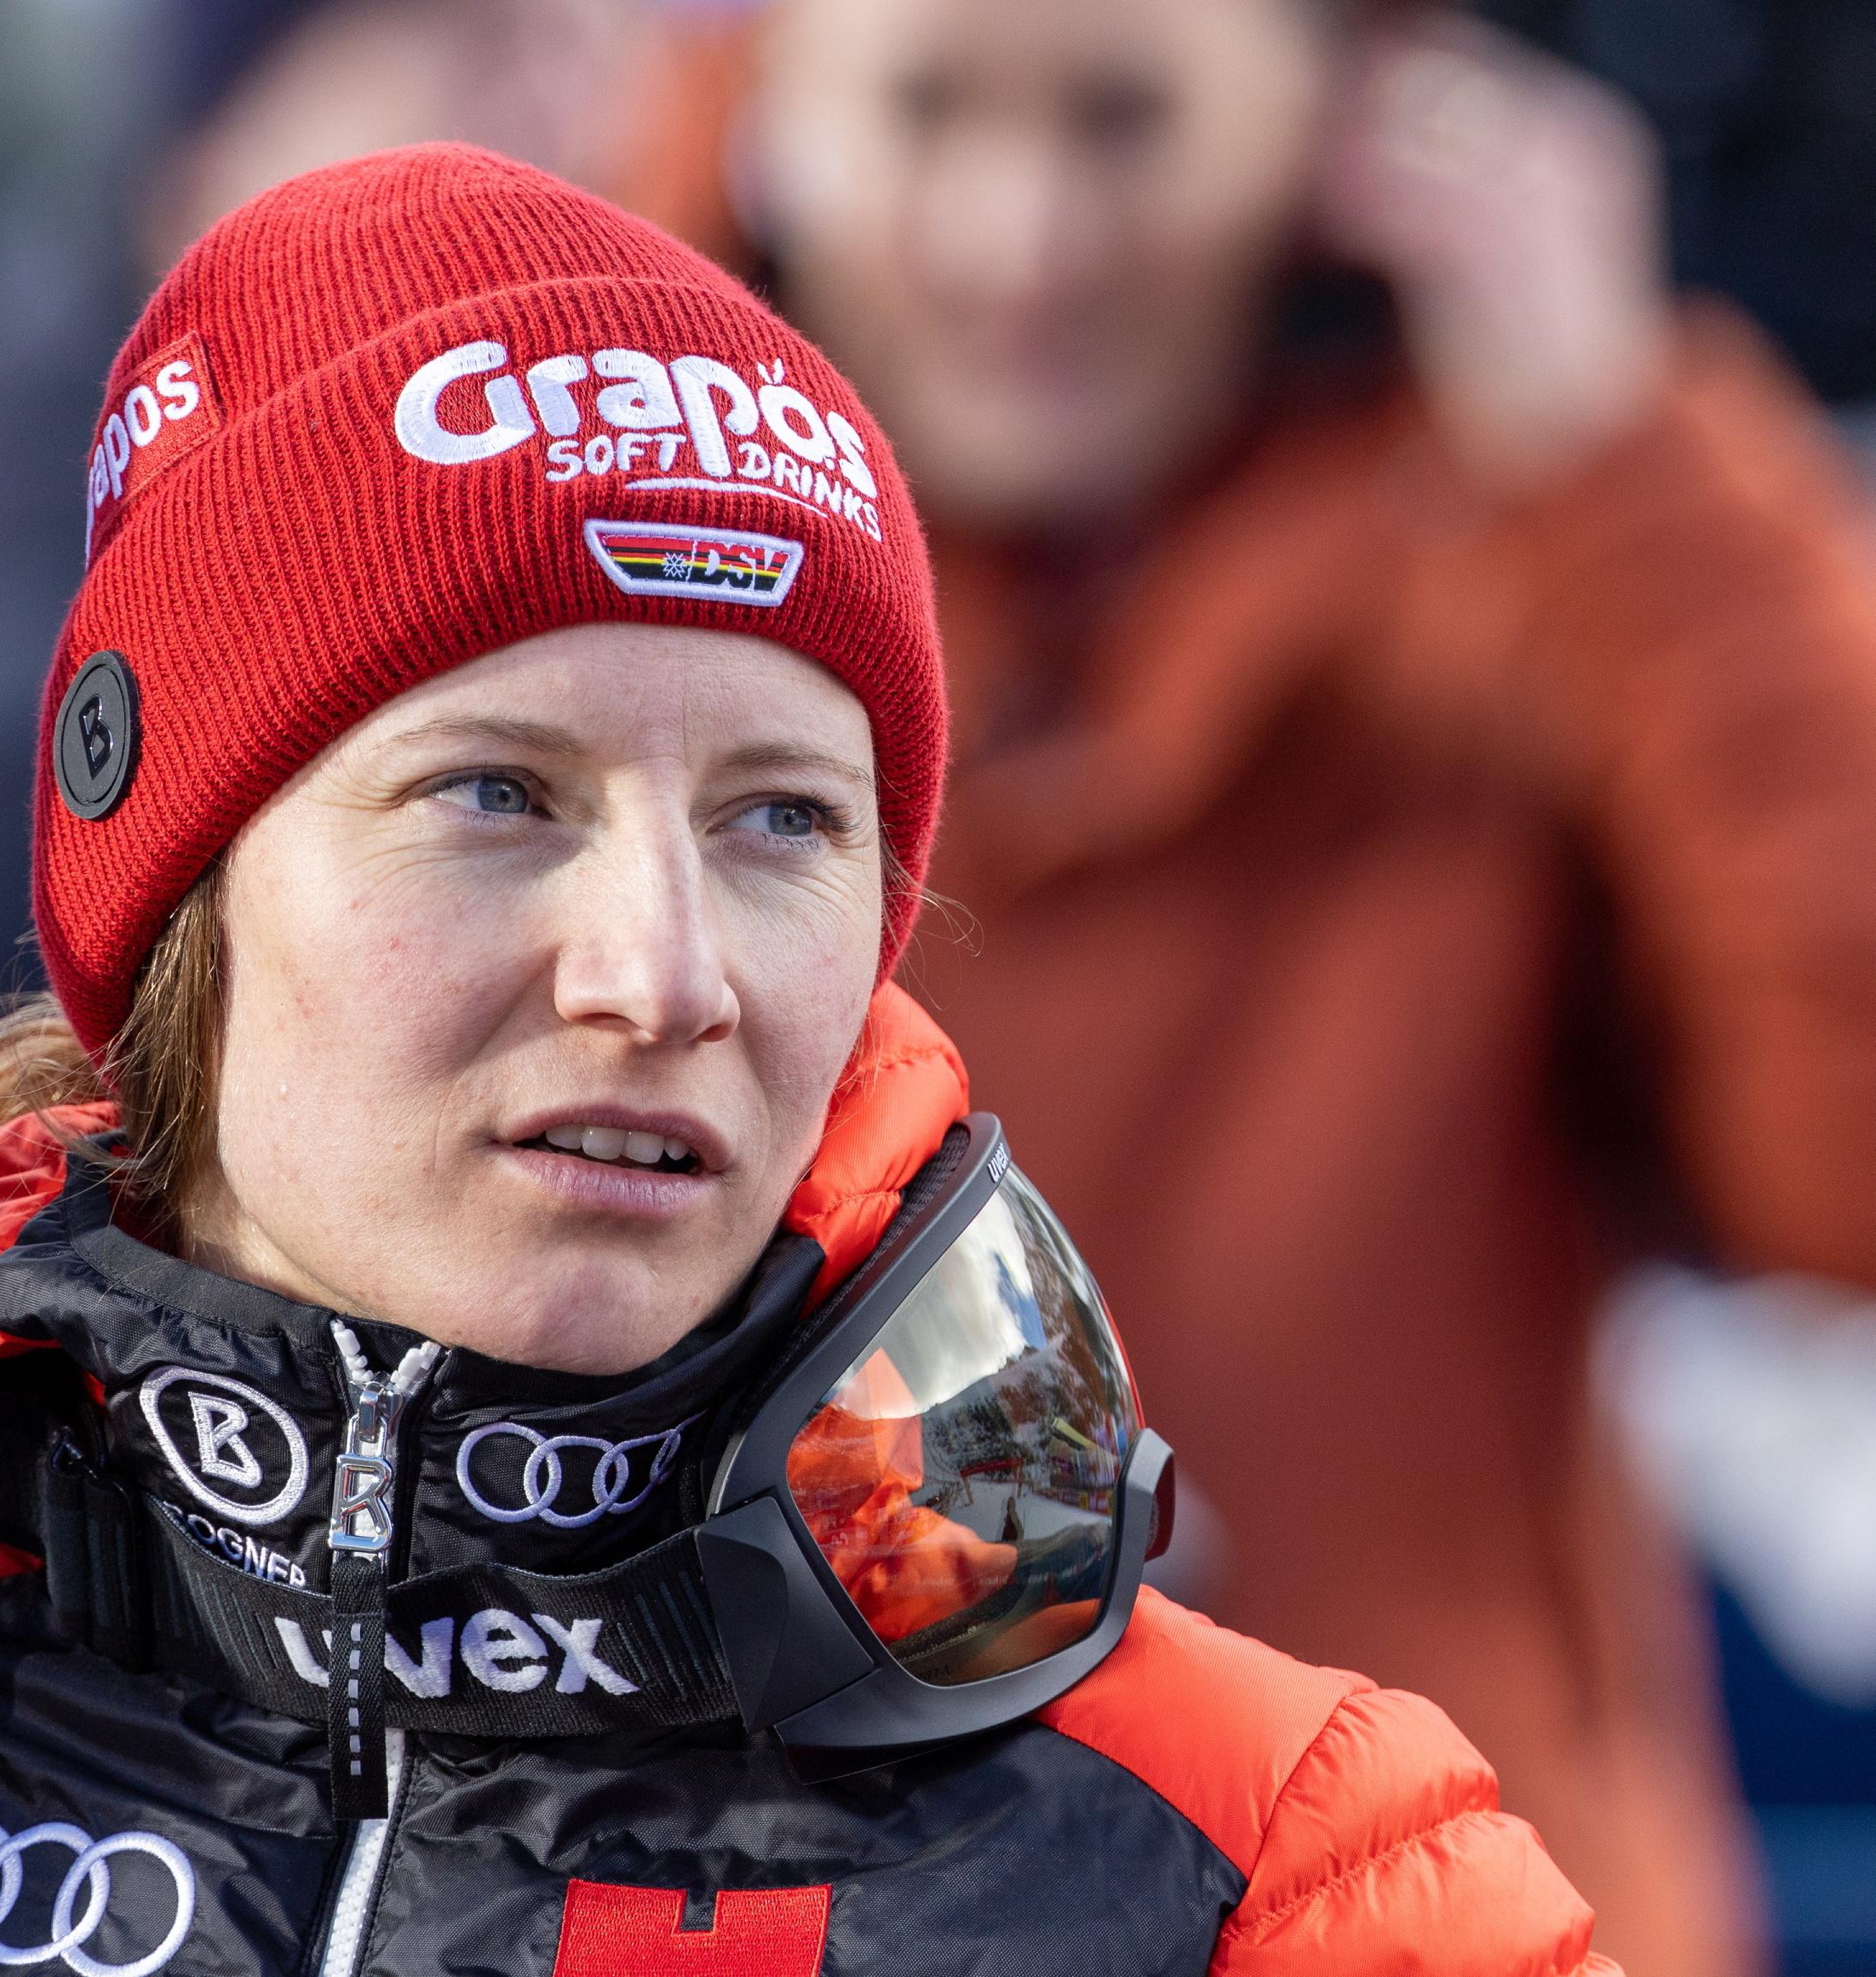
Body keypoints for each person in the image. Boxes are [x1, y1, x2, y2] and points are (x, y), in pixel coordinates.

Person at [0, 146, 1615, 1975]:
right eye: (494, 793)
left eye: (783, 821)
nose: (661, 971)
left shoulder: (1266, 1861)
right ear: (192, 888)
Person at [723, 1, 1876, 1970]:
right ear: (766, 127)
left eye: (1128, 120)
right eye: (924, 112)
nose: (1021, 236)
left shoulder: (1530, 591)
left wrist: (1636, 468)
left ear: (1350, 134)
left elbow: (1845, 1175)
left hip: (1464, 1907)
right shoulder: (611, 605)